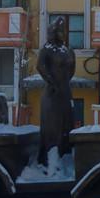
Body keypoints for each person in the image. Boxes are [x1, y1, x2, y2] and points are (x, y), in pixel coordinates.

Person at [36, 17, 76, 165]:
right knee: (52, 127)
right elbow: (40, 67)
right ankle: (49, 159)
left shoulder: (69, 50)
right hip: (51, 93)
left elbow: (72, 70)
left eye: (64, 30)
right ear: (53, 32)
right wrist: (52, 83)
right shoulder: (47, 50)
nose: (63, 33)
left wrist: (63, 84)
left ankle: (65, 155)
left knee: (67, 124)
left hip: (65, 91)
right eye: (60, 30)